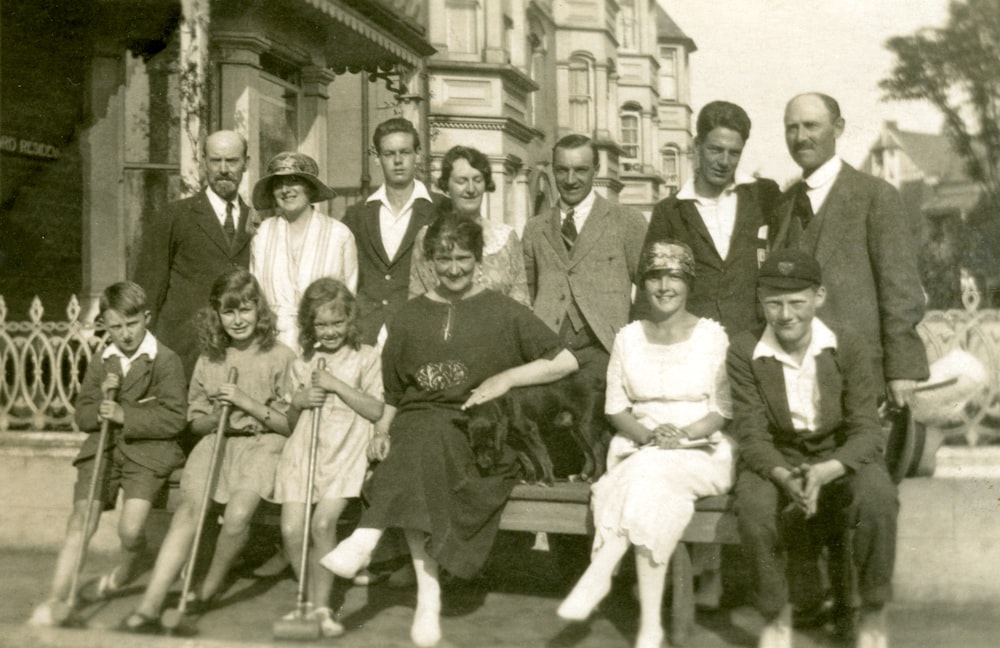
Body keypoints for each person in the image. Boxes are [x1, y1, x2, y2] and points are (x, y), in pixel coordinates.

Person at [319, 214, 579, 647]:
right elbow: (395, 395)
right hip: (415, 429)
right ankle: (428, 597)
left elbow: (565, 360)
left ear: (478, 260)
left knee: (426, 443)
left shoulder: (504, 310)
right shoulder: (407, 317)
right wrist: (381, 431)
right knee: (416, 442)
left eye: (463, 258)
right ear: (428, 263)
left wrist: (506, 379)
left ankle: (366, 537)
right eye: (444, 259)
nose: (454, 268)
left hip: (477, 431)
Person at [557, 241, 734, 648]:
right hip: (640, 447)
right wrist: (650, 436)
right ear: (642, 283)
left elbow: (722, 410)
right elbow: (617, 408)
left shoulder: (712, 336)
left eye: (674, 276)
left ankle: (603, 569)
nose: (664, 286)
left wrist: (683, 435)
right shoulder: (629, 337)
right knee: (652, 483)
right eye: (655, 276)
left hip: (701, 449)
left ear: (688, 282)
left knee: (648, 476)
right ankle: (650, 628)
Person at [726, 248, 898, 648]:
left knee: (878, 498)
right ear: (761, 301)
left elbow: (867, 431)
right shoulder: (744, 350)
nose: (785, 315)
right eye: (774, 303)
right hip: (779, 455)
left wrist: (826, 471)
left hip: (839, 451)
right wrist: (785, 476)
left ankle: (873, 611)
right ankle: (775, 614)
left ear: (818, 297)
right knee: (753, 507)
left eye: (796, 303)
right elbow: (752, 434)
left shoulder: (848, 343)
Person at [120, 269, 295, 633]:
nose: (237, 320)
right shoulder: (210, 359)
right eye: (228, 312)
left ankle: (207, 589)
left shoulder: (280, 356)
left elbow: (288, 424)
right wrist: (218, 417)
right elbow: (194, 422)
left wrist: (245, 402)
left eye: (245, 310)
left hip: (264, 445)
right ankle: (150, 605)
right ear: (217, 315)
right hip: (218, 442)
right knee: (188, 512)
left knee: (236, 516)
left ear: (258, 311)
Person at [29, 282, 187, 626]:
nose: (125, 334)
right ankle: (59, 598)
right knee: (81, 521)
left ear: (146, 317)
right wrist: (99, 408)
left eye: (132, 324)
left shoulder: (165, 360)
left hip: (148, 454)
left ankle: (128, 566)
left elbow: (175, 418)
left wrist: (124, 416)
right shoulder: (103, 361)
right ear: (104, 324)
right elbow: (82, 414)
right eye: (116, 326)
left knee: (130, 531)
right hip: (103, 448)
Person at [772, 93, 928, 408]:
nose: (801, 138)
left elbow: (901, 290)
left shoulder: (875, 196)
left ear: (838, 128)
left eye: (811, 126)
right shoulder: (783, 205)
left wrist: (902, 370)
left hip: (861, 376)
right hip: (795, 380)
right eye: (792, 128)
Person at [273, 278, 383, 637]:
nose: (331, 331)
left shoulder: (366, 357)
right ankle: (306, 597)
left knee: (322, 525)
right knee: (291, 529)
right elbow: (290, 423)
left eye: (338, 323)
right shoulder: (302, 362)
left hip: (345, 452)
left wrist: (336, 385)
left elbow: (376, 409)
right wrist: (297, 402)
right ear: (310, 325)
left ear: (351, 320)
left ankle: (322, 608)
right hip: (303, 451)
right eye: (322, 324)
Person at [522, 134, 647, 391]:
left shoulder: (627, 221)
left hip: (606, 353)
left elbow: (648, 291)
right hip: (548, 353)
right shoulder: (535, 228)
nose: (570, 180)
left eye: (580, 170)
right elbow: (528, 293)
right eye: (562, 170)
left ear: (596, 170)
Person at [642, 100, 780, 334]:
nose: (724, 162)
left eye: (734, 153)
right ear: (697, 146)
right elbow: (651, 287)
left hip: (754, 344)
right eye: (715, 150)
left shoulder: (764, 196)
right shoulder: (670, 211)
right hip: (692, 347)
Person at [133, 130, 252, 378]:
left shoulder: (259, 221)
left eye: (231, 161)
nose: (223, 169)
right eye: (215, 160)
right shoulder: (175, 216)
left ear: (245, 164)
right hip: (184, 351)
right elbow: (148, 289)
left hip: (240, 354)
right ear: (203, 163)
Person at [343, 117, 439, 346]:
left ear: (417, 154)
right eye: (388, 154)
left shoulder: (440, 209)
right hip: (367, 336)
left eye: (404, 152)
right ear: (377, 158)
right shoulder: (357, 215)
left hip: (419, 332)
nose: (398, 161)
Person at [250, 151, 358, 351]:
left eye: (294, 181)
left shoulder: (339, 234)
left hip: (323, 343)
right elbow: (255, 294)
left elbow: (349, 294)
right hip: (272, 343)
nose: (285, 190)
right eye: (278, 183)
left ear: (310, 188)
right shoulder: (262, 234)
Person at [410, 145, 529, 306]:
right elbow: (418, 302)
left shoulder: (506, 238)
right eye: (462, 181)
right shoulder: (427, 237)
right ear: (446, 185)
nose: (471, 189)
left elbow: (521, 304)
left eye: (477, 180)